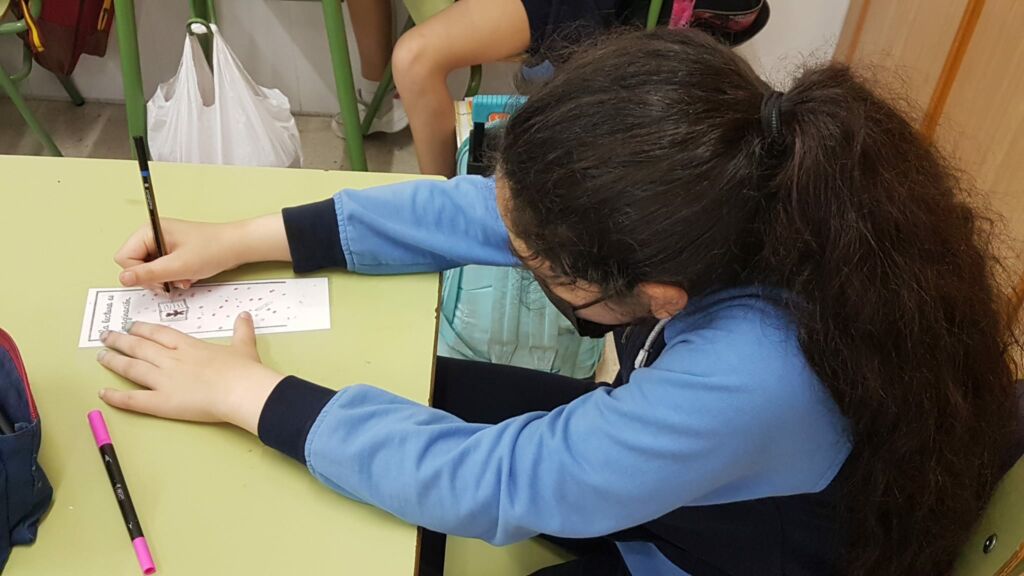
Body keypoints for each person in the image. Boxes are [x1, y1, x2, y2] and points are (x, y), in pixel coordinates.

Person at [94, 29, 1018, 576]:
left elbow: (503, 483)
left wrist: (246, 394)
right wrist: (246, 237)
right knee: (397, 394)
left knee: (364, 450)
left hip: (734, 549)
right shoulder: (731, 194)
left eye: (537, 262)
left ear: (655, 294)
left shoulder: (753, 374)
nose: (512, 246)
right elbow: (480, 212)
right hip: (709, 464)